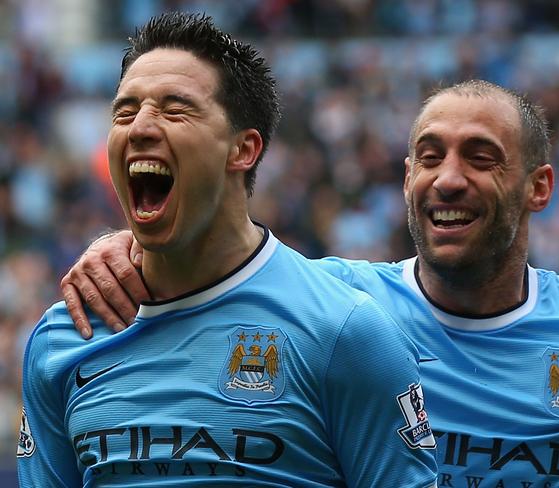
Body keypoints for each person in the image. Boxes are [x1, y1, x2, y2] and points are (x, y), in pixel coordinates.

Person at [61, 78, 559, 486]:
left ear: (539, 187)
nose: (447, 179)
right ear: (405, 178)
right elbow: (212, 264)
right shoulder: (333, 305)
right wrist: (129, 243)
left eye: (480, 157)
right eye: (428, 156)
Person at [17, 12, 439, 487]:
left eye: (175, 110)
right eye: (124, 112)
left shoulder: (345, 331)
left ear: (243, 150)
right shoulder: (63, 336)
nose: (139, 128)